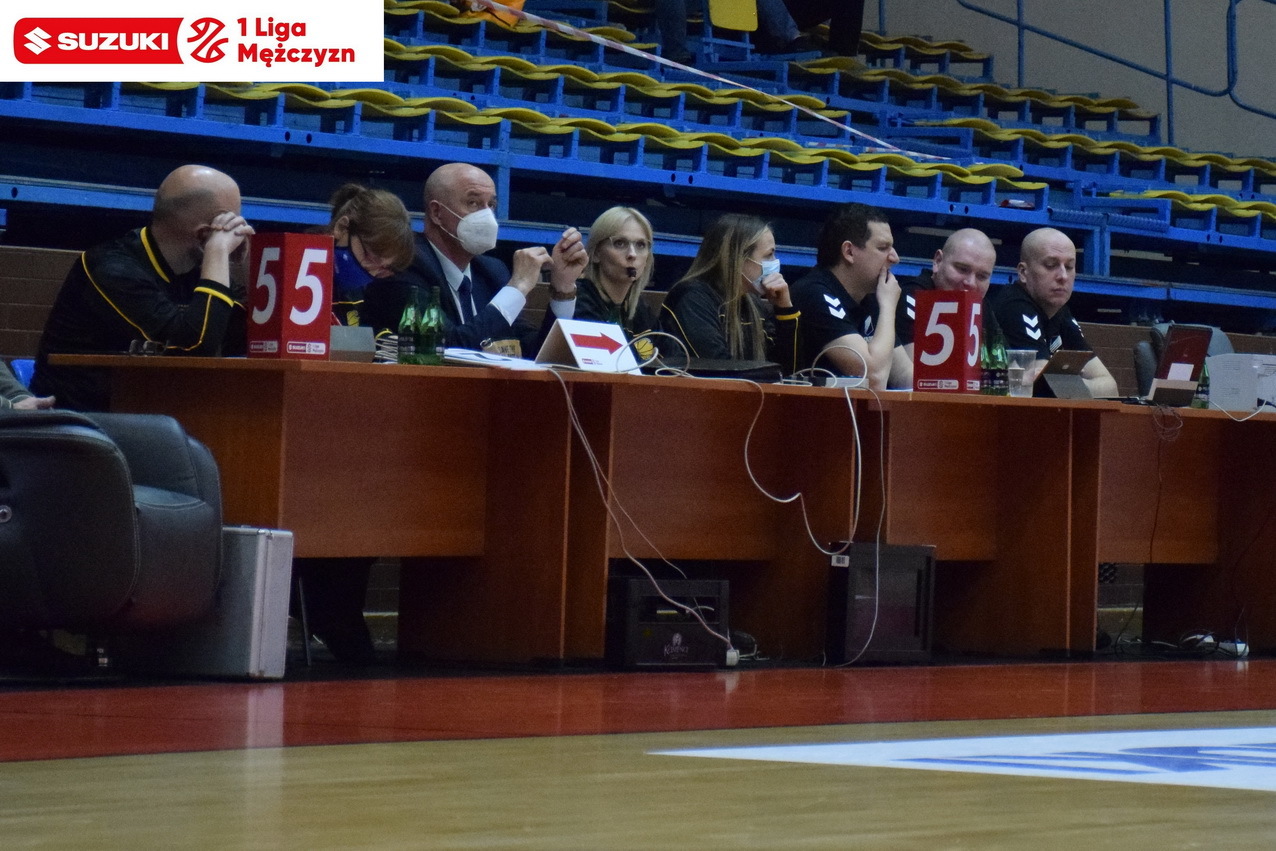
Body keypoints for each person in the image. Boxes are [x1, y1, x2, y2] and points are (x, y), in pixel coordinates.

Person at [31, 165, 253, 412]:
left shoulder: (197, 270)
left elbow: (249, 341)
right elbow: (193, 348)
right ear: (204, 234)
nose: (239, 232)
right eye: (233, 223)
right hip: (81, 418)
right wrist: (218, 251)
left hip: (149, 413)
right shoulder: (112, 269)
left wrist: (249, 269)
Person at [361, 163, 587, 356]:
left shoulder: (492, 271)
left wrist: (563, 290)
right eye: (473, 203)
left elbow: (534, 352)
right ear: (437, 213)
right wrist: (517, 288)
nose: (486, 215)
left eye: (491, 205)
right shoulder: (406, 264)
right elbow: (447, 349)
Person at [659, 213, 801, 374]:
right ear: (738, 258)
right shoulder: (691, 298)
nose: (775, 263)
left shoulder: (752, 303)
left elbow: (787, 372)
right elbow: (718, 368)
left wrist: (785, 310)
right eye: (769, 255)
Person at [987, 227, 1118, 398]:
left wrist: (1067, 383)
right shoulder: (1014, 306)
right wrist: (1073, 383)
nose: (1063, 276)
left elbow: (1111, 386)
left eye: (1069, 266)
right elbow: (1047, 388)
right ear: (1023, 272)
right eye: (1051, 265)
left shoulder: (1060, 311)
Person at [788, 203, 904, 389]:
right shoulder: (813, 293)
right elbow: (874, 378)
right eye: (883, 248)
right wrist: (889, 308)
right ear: (849, 252)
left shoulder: (871, 297)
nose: (895, 258)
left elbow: (905, 376)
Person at [894, 228, 1001, 388]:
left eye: (982, 276)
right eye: (962, 269)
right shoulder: (913, 296)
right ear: (938, 261)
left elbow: (1004, 370)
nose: (971, 283)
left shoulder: (980, 305)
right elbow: (921, 375)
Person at [323, 183, 416, 326]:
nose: (371, 273)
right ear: (342, 228)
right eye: (369, 258)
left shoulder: (369, 292)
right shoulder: (294, 266)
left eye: (382, 269)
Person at [571, 206, 660, 354]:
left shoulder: (638, 306)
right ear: (596, 253)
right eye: (620, 243)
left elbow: (674, 356)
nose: (632, 254)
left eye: (641, 245)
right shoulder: (580, 300)